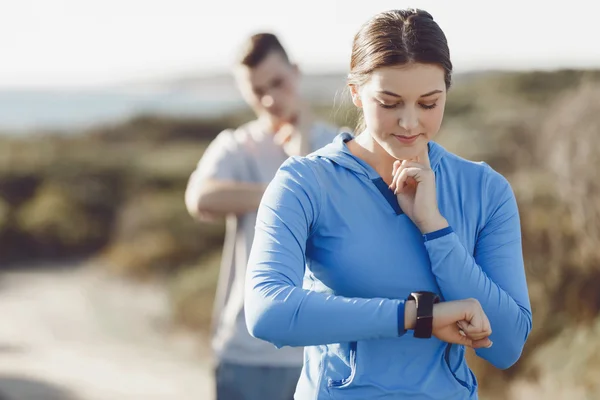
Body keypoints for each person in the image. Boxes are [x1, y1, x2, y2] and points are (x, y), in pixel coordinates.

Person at [244, 9, 532, 400]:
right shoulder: (304, 183)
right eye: (390, 102)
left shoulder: (485, 190)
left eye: (428, 103)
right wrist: (417, 317)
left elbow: (507, 344)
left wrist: (436, 229)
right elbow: (267, 311)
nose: (410, 123)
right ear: (356, 93)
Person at [185, 32, 341, 400]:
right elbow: (200, 199)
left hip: (325, 349)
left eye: (278, 82)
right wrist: (279, 191)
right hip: (247, 352)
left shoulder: (340, 144)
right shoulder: (236, 146)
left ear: (296, 72)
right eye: (257, 90)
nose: (270, 98)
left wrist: (302, 141)